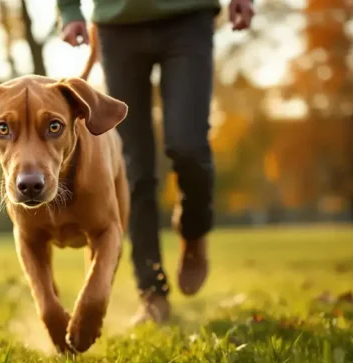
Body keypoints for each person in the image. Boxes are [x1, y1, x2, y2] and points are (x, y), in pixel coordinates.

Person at [57, 0, 254, 322]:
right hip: (116, 24)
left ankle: (193, 230)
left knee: (188, 145)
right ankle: (152, 292)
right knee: (134, 166)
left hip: (187, 18)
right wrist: (69, 11)